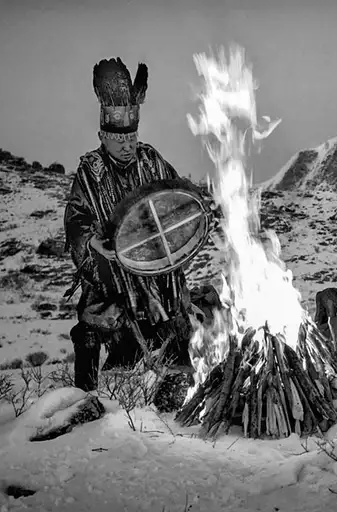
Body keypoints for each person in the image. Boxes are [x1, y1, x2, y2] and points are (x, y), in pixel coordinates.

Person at [63, 57, 212, 392]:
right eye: (119, 140)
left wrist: (195, 201)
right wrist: (92, 244)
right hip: (113, 278)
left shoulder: (151, 159)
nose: (127, 145)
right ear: (103, 135)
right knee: (91, 331)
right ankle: (85, 397)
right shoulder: (91, 171)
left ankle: (175, 392)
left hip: (159, 275)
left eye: (132, 137)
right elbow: (76, 220)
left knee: (175, 329)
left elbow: (175, 196)